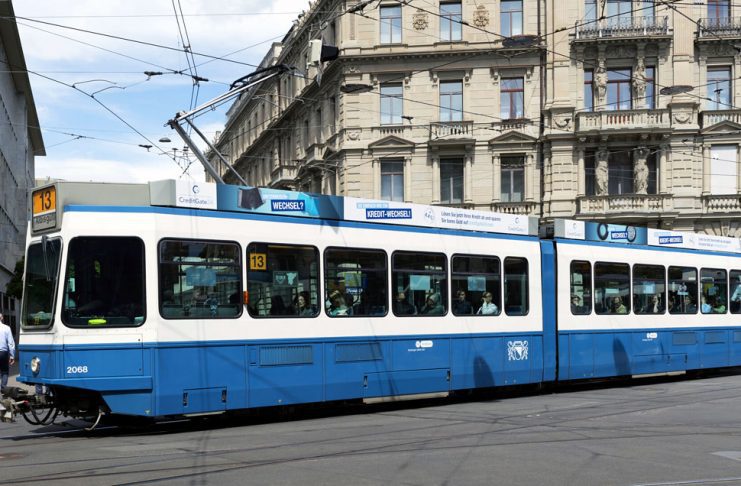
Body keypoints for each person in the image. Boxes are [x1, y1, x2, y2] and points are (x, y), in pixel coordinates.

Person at [0, 313, 15, 393]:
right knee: (4, 372)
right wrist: (12, 356)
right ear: (1, 318)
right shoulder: (6, 328)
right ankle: (3, 389)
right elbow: (10, 343)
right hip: (3, 353)